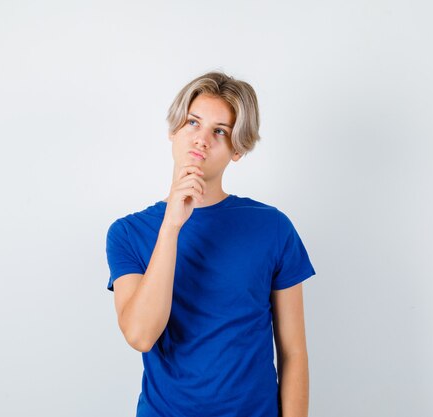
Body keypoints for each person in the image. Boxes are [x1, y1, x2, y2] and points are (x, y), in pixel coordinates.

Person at [105, 70, 317, 417]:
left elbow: (293, 351)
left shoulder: (272, 227)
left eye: (220, 131)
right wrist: (171, 226)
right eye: (193, 123)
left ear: (237, 149)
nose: (202, 139)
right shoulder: (128, 233)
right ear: (174, 131)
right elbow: (141, 335)